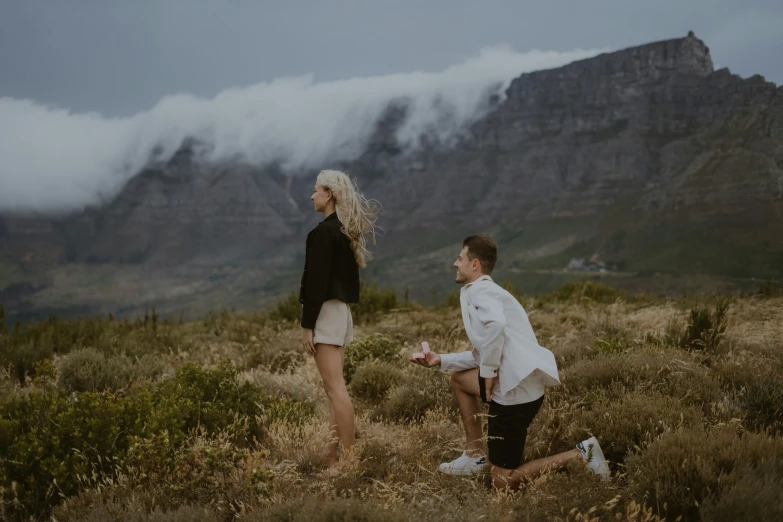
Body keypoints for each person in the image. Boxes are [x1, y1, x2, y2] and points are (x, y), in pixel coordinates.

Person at [410, 234, 609, 490]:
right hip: (516, 384)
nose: (454, 263)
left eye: (460, 258)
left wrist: (489, 372)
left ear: (475, 264)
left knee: (503, 482)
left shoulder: (481, 291)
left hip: (515, 394)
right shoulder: (482, 291)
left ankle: (582, 455)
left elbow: (497, 325)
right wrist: (440, 360)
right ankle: (474, 457)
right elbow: (482, 352)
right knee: (459, 379)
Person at [299, 169, 379, 470]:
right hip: (340, 312)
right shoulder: (343, 231)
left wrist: (308, 325)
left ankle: (349, 462)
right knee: (334, 389)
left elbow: (316, 284)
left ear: (329, 194)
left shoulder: (323, 234)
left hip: (326, 312)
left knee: (335, 389)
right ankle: (333, 461)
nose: (312, 195)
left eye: (316, 190)